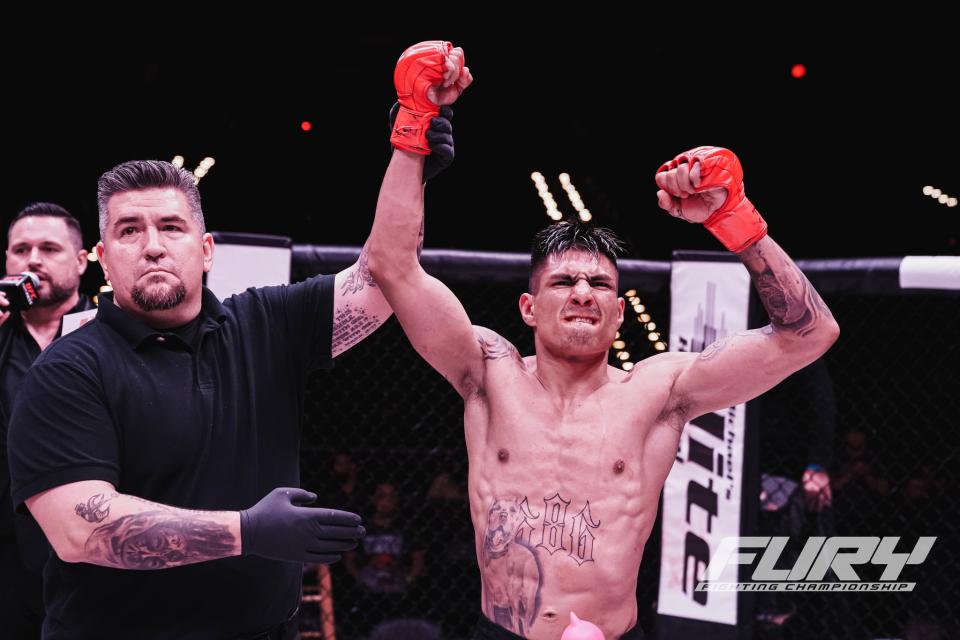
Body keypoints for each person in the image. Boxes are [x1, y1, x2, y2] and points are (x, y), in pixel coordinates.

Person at [366, 41, 840, 640]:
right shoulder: (487, 370)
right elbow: (391, 265)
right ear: (529, 308)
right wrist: (413, 127)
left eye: (600, 284)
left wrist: (736, 220)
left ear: (619, 313)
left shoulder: (659, 390)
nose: (584, 292)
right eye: (564, 281)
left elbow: (811, 333)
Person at [5, 139, 453, 639]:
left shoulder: (264, 324)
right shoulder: (67, 368)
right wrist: (247, 530)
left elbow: (383, 277)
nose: (152, 245)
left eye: (171, 227)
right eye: (130, 230)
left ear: (206, 250)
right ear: (104, 261)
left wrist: (409, 158)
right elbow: (80, 529)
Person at [1, 202, 94, 638]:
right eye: (21, 249)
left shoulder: (106, 329)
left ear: (80, 262)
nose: (33, 259)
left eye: (48, 248)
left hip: (87, 543)